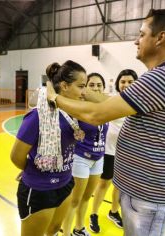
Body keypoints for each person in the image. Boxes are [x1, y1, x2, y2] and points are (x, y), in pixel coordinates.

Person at [47, 9, 165, 236]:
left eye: (142, 34)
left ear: (161, 37)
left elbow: (97, 114)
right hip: (146, 195)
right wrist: (81, 92)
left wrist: (55, 99)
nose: (136, 40)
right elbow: (109, 101)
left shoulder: (160, 78)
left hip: (148, 198)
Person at [10, 60, 87, 236]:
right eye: (81, 86)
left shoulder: (75, 114)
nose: (85, 92)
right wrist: (32, 170)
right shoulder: (38, 116)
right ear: (65, 86)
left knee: (53, 229)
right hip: (39, 189)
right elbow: (16, 156)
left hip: (66, 182)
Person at [89, 69, 138, 233]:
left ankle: (114, 211)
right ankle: (94, 214)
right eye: (123, 81)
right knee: (104, 183)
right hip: (109, 150)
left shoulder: (139, 102)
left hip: (127, 152)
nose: (126, 84)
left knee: (120, 186)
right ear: (118, 83)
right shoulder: (113, 100)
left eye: (130, 82)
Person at [62, 73, 108, 236]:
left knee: (86, 197)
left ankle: (79, 229)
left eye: (99, 85)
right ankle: (66, 232)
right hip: (80, 158)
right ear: (86, 88)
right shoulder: (79, 106)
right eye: (92, 85)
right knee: (74, 200)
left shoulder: (107, 106)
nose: (96, 88)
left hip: (98, 158)